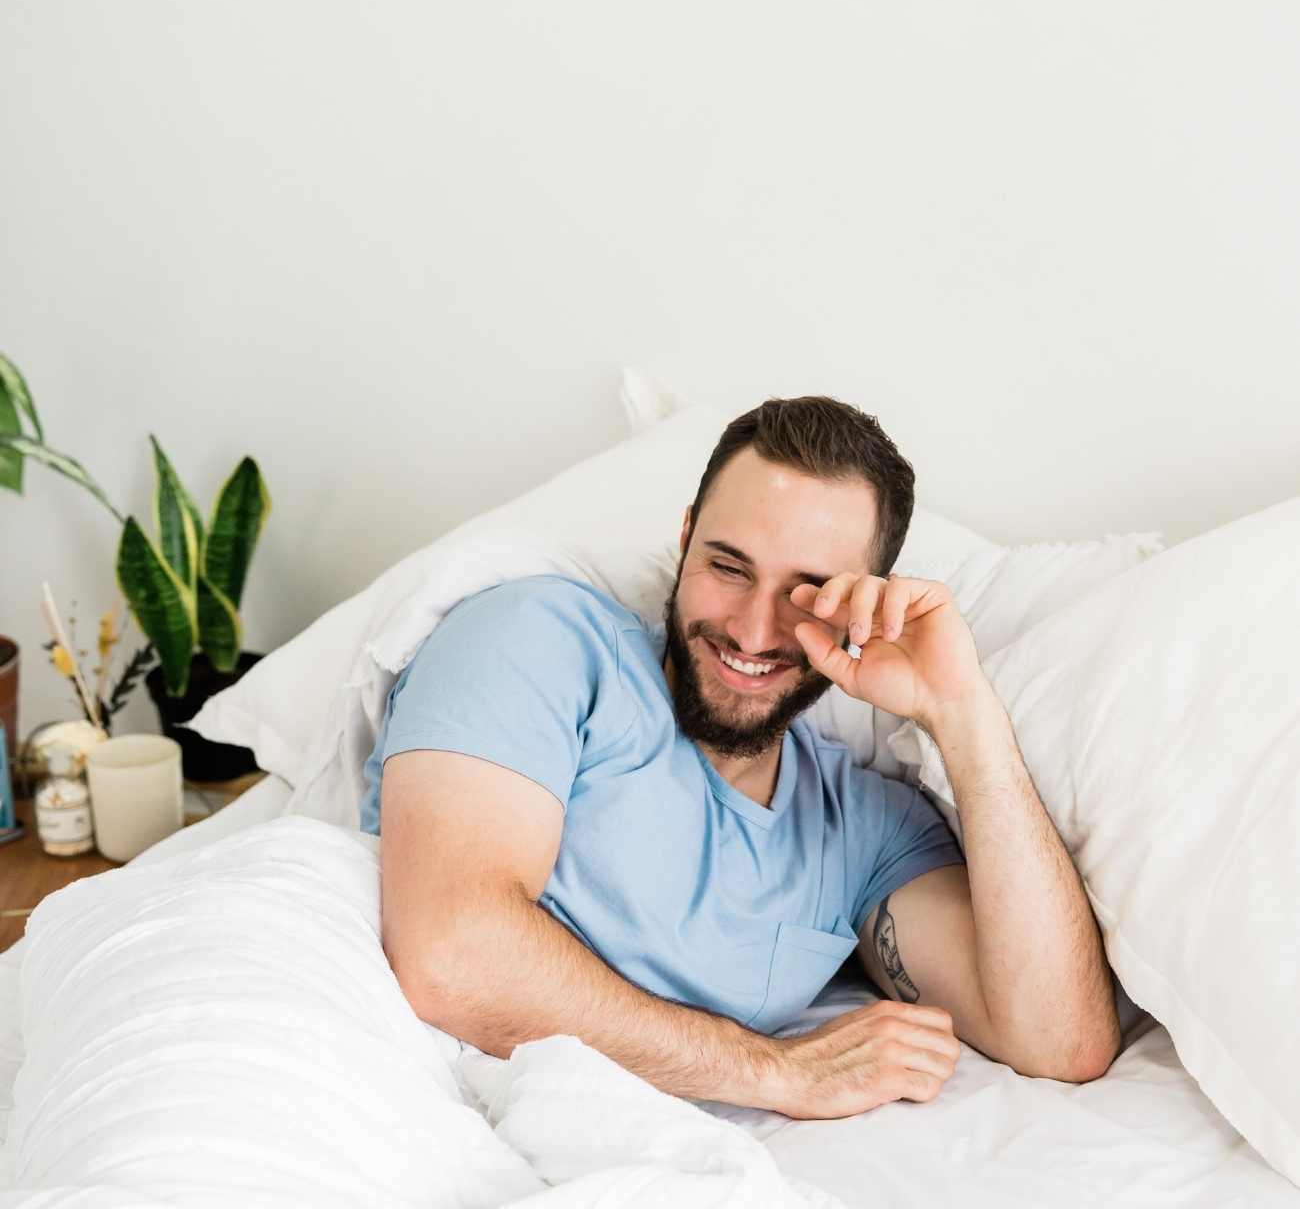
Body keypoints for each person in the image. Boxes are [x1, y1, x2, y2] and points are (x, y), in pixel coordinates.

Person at [364, 399, 1120, 1118]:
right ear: (686, 538)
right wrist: (773, 1070)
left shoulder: (861, 830)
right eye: (729, 568)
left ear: (861, 606)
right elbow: (450, 956)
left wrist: (962, 713)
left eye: (809, 591)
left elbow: (1059, 1043)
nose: (754, 632)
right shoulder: (540, 641)